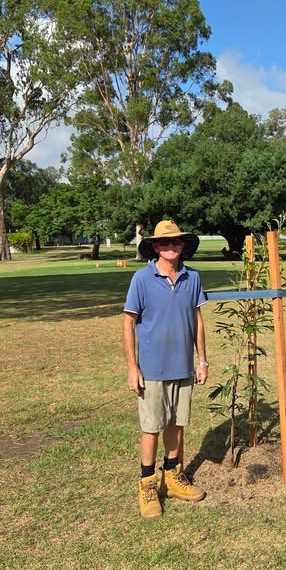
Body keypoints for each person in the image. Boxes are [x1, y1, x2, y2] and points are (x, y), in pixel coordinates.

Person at [123, 220, 210, 518]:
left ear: (183, 245)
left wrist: (202, 360)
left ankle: (172, 477)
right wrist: (132, 367)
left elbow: (197, 319)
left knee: (177, 423)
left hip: (183, 366)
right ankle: (148, 484)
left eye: (175, 242)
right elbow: (128, 322)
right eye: (164, 243)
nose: (170, 247)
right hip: (151, 370)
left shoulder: (193, 278)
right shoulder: (141, 279)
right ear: (155, 247)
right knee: (151, 427)